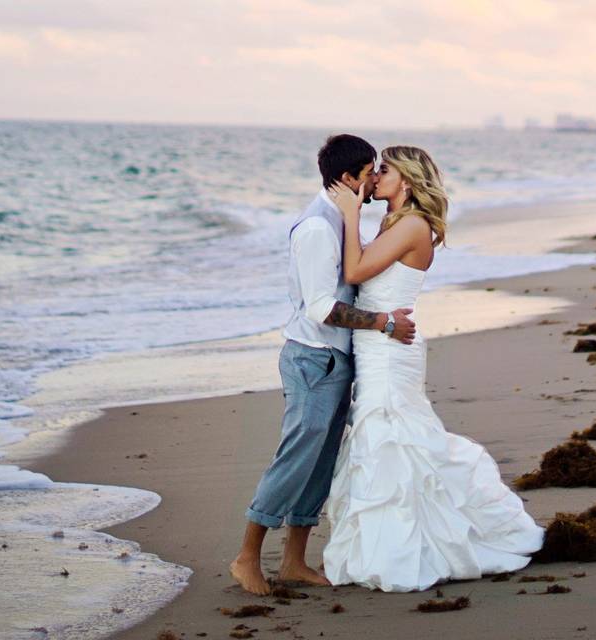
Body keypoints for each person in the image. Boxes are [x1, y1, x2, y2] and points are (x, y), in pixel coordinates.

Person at [321, 145, 545, 592]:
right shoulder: (397, 223)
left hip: (389, 350)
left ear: (406, 181)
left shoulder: (412, 225)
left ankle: (402, 550)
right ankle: (403, 541)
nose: (376, 176)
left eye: (385, 170)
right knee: (391, 439)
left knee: (391, 436)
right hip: (380, 342)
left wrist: (348, 213)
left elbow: (354, 269)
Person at [229, 135, 416, 595]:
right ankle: (247, 556)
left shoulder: (341, 219)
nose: (374, 180)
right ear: (348, 178)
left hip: (337, 358)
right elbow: (320, 307)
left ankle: (293, 561)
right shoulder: (317, 227)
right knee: (296, 458)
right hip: (311, 359)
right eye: (370, 172)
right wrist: (383, 323)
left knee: (321, 462)